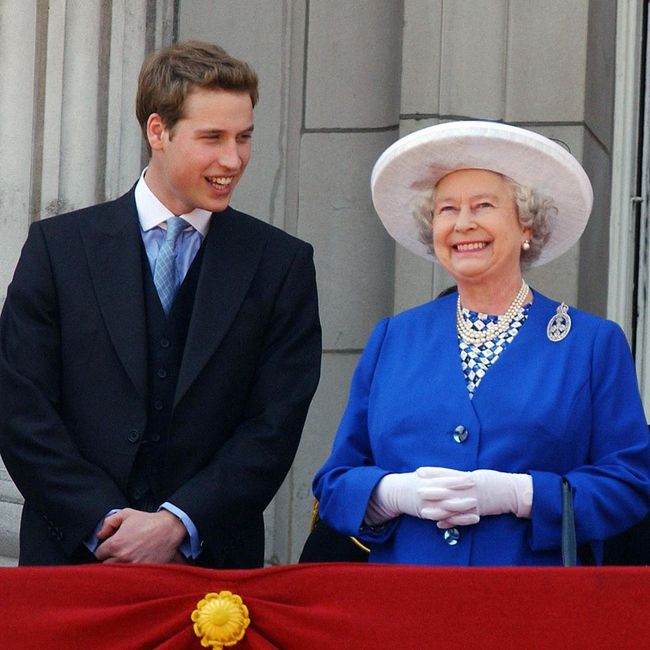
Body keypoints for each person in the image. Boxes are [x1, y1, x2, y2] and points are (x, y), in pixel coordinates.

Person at [0, 41, 321, 568]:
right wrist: (104, 525)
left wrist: (177, 523)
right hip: (70, 563)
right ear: (158, 131)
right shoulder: (57, 249)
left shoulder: (281, 263)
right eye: (212, 137)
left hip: (211, 567)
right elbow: (21, 408)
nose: (233, 159)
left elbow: (275, 424)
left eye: (244, 138)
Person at [311, 121, 650, 566]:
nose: (463, 223)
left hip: (531, 608)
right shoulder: (393, 338)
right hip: (404, 604)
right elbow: (335, 483)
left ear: (526, 225)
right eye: (447, 209)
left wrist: (522, 494)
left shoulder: (590, 344)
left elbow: (630, 483)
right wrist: (391, 494)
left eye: (483, 205)